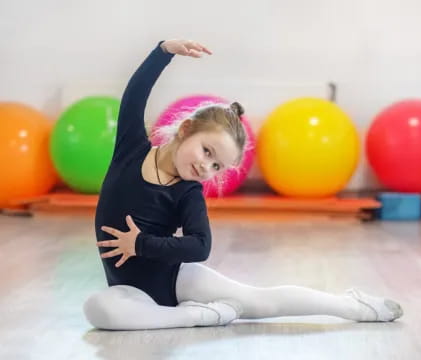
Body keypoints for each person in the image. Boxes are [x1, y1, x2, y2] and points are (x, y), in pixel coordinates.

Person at [83, 39, 403, 330]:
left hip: (176, 279)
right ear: (186, 129)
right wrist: (163, 51)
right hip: (127, 290)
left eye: (216, 165)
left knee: (262, 302)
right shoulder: (131, 150)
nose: (205, 166)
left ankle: (350, 305)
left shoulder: (187, 191)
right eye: (207, 151)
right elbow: (134, 96)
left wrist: (141, 244)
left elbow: (200, 246)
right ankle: (197, 316)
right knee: (100, 311)